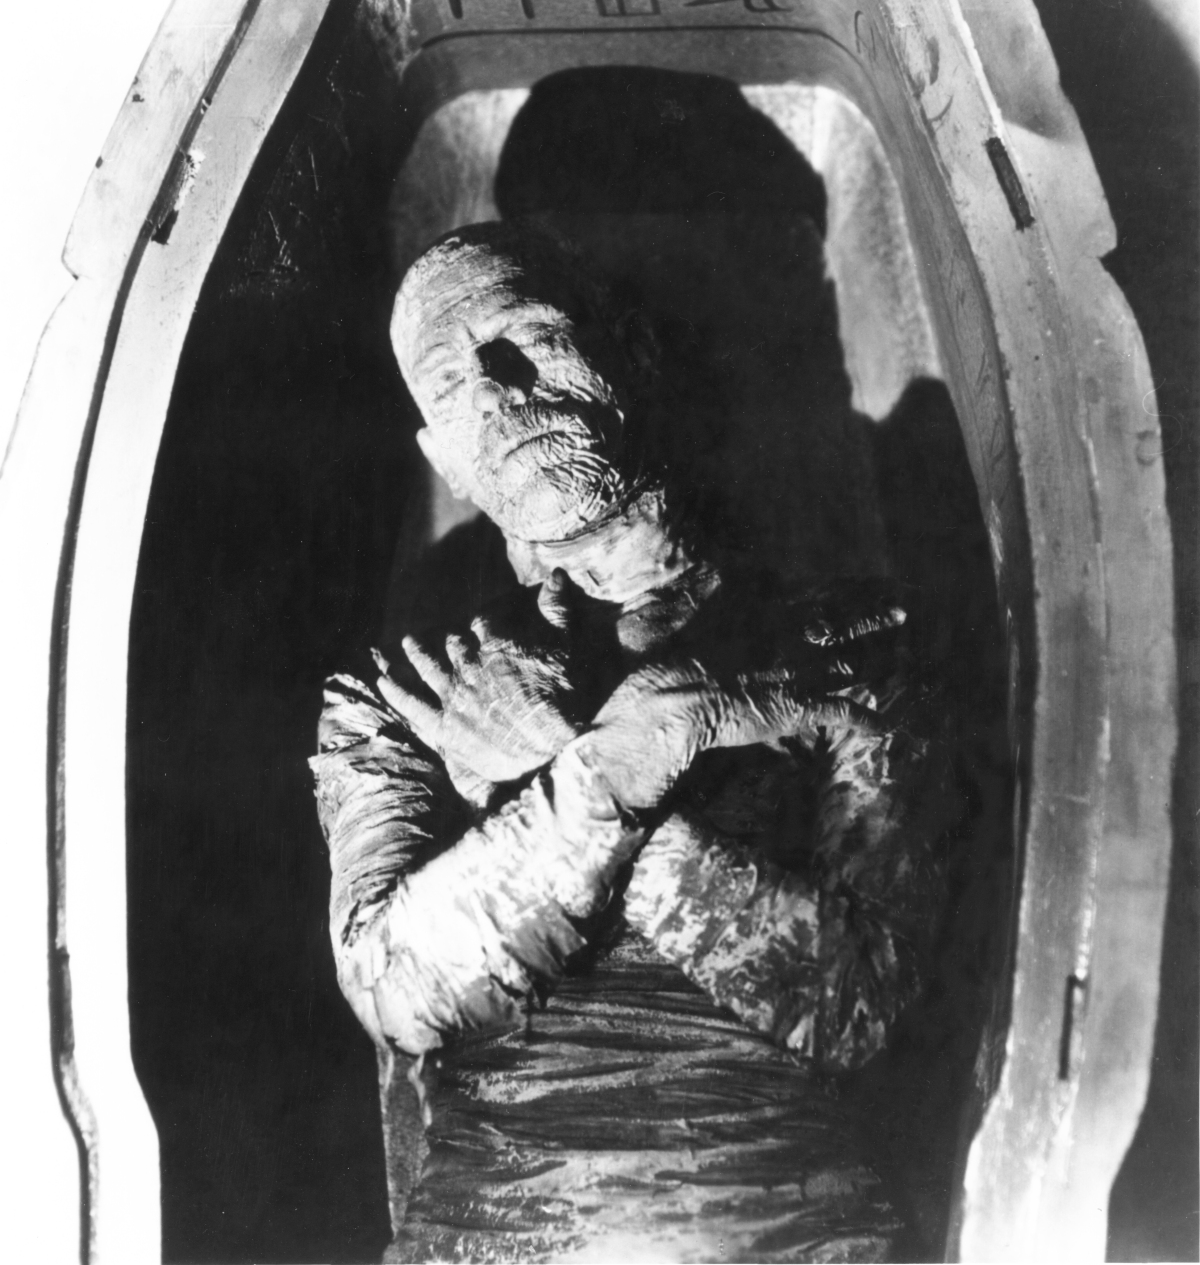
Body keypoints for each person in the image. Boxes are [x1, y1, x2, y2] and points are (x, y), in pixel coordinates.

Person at [310, 220, 953, 1262]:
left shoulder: (847, 653)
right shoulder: (405, 695)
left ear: (633, 353)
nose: (495, 389)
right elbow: (401, 994)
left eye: (525, 336)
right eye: (449, 383)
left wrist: (567, 766)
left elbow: (854, 1003)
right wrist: (600, 774)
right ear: (443, 459)